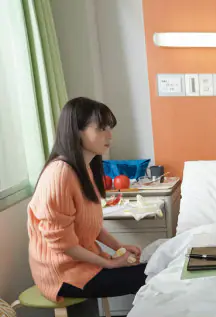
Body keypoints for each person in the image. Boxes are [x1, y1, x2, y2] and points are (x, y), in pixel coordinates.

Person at [27, 97, 146, 302]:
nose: (109, 135)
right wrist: (110, 264)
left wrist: (119, 247)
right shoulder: (60, 174)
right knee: (149, 275)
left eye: (109, 128)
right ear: (77, 131)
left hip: (83, 264)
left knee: (151, 269)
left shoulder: (84, 170)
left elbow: (91, 226)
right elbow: (63, 245)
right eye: (101, 128)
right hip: (63, 274)